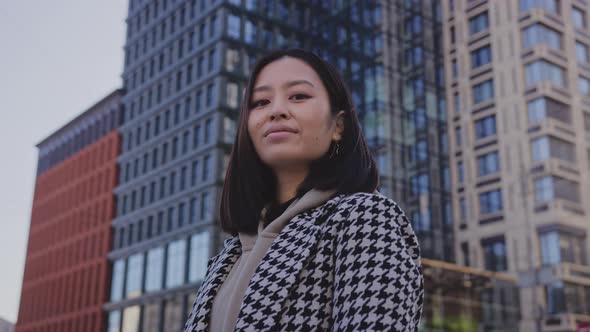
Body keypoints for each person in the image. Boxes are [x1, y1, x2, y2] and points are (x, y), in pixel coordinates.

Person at [184, 48, 423, 331]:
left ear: (338, 125)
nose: (276, 110)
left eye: (298, 96)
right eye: (261, 101)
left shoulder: (365, 218)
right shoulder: (228, 255)